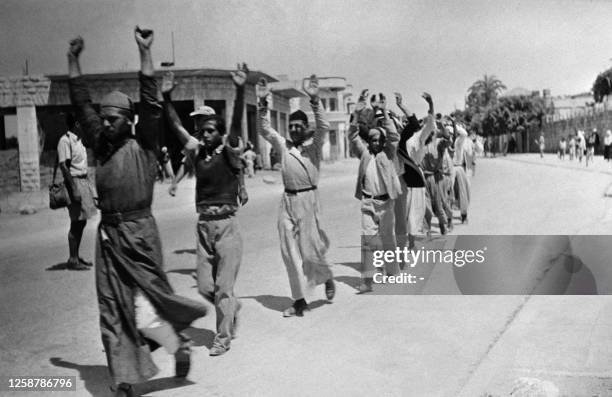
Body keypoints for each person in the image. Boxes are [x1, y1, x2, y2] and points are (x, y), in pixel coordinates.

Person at [67, 29, 208, 396]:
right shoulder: (101, 143)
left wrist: (146, 53)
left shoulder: (145, 143)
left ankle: (178, 345)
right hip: (109, 239)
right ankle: (124, 381)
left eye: (113, 119)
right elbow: (82, 105)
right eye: (104, 118)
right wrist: (74, 62)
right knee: (112, 309)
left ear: (127, 120)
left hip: (140, 234)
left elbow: (150, 101)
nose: (106, 124)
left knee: (146, 309)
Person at [162, 64, 248, 356]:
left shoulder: (229, 151)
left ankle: (222, 337)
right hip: (203, 227)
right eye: (202, 130)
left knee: (223, 287)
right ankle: (231, 309)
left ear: (220, 134)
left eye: (210, 130)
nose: (205, 134)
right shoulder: (197, 152)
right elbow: (176, 129)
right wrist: (167, 99)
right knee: (204, 286)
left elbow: (235, 126)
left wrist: (239, 89)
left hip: (226, 226)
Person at [256, 75, 335, 317]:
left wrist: (313, 99)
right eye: (290, 126)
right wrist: (262, 105)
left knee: (309, 252)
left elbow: (324, 126)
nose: (293, 129)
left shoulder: (313, 147)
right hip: (287, 202)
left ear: (305, 128)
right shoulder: (283, 145)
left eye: (298, 126)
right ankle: (299, 300)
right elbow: (265, 129)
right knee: (288, 252)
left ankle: (326, 276)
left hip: (308, 201)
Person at [349, 92, 401, 293]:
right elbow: (353, 135)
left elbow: (394, 136)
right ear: (368, 141)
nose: (375, 143)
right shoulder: (364, 154)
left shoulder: (387, 153)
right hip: (368, 203)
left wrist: (384, 112)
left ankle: (393, 272)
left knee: (388, 239)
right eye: (372, 140)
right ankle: (368, 281)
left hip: (386, 203)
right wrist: (358, 110)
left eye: (379, 140)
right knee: (368, 240)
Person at [395, 92, 436, 249]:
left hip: (416, 179)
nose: (407, 123)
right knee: (403, 215)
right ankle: (405, 243)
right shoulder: (401, 139)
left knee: (415, 215)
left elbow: (430, 124)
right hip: (403, 180)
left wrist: (430, 104)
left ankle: (411, 241)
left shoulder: (419, 137)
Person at [57, 112, 97, 270]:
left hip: (83, 181)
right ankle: (72, 259)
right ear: (77, 124)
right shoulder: (65, 141)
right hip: (74, 183)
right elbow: (64, 166)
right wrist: (74, 189)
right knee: (76, 222)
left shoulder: (79, 141)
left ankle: (76, 256)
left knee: (82, 221)